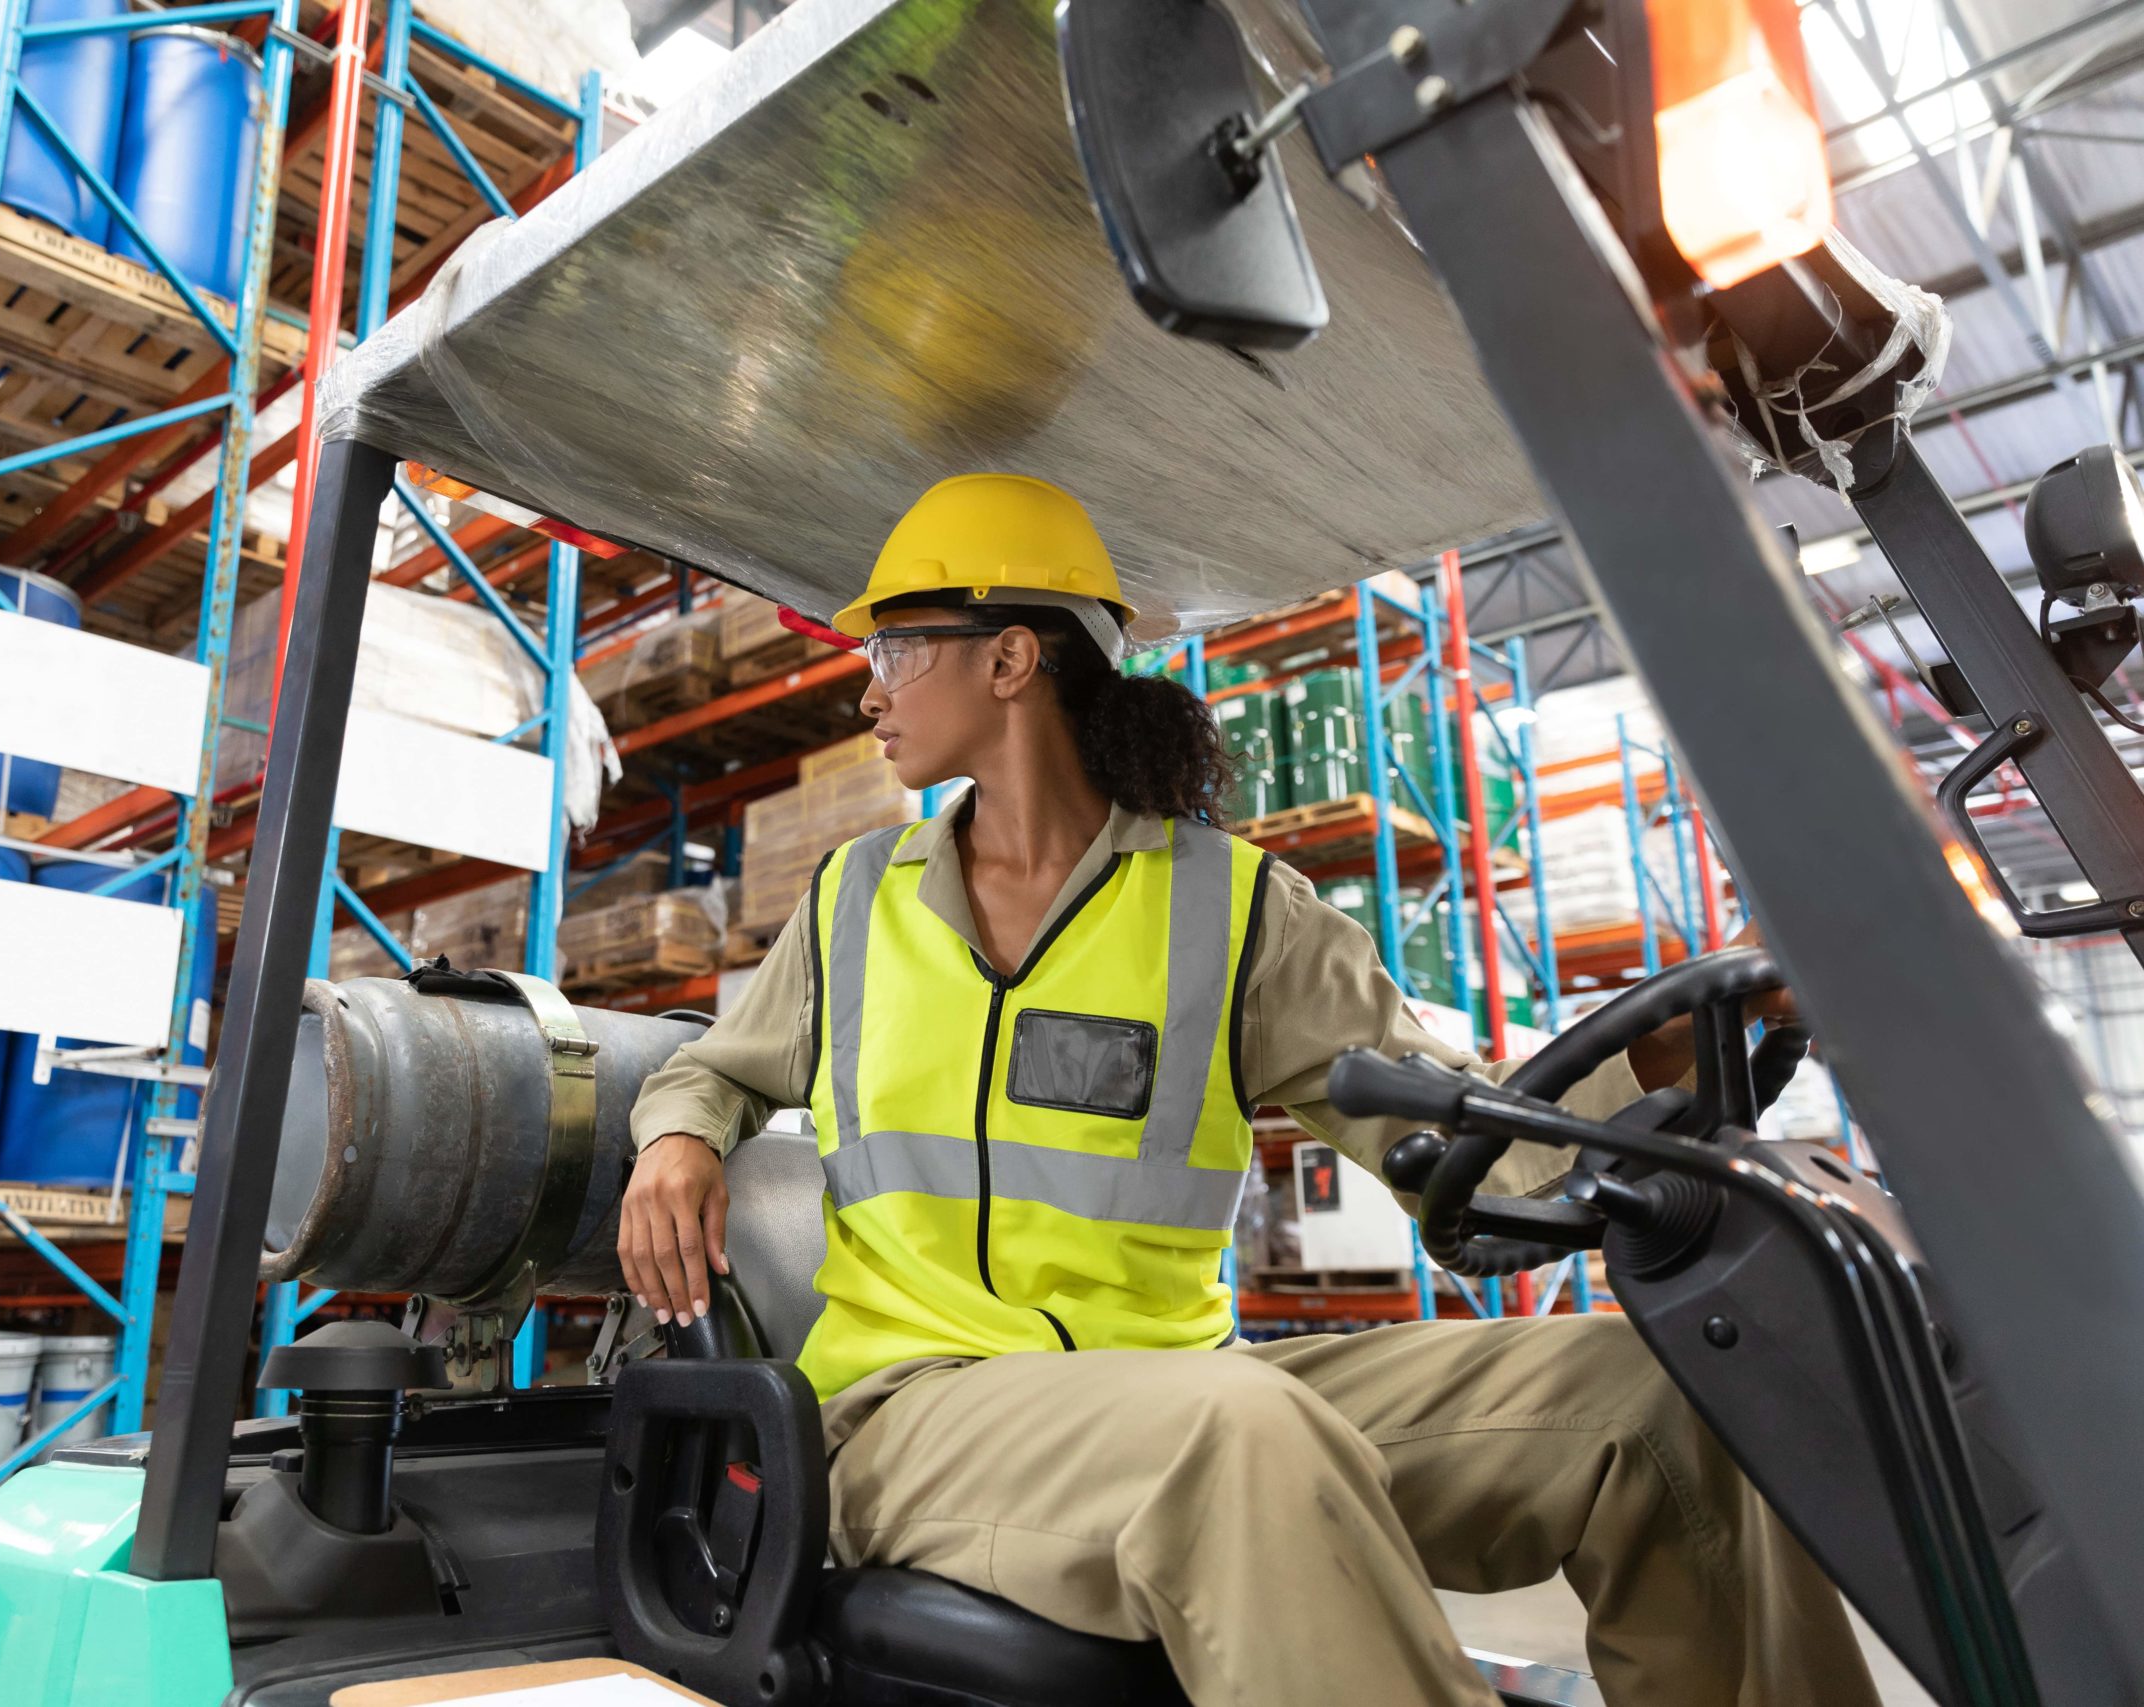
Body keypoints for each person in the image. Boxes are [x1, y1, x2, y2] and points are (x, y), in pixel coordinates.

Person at [617, 473, 1875, 1707]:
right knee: (1234, 1432)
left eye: (894, 648)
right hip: (921, 1410)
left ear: (1009, 661)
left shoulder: (1233, 910)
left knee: (1649, 1398)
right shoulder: (852, 900)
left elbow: (1462, 1139)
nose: (868, 685)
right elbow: (710, 1067)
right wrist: (678, 1137)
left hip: (1182, 1385)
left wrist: (1662, 1058)